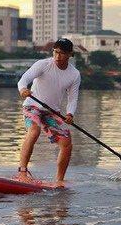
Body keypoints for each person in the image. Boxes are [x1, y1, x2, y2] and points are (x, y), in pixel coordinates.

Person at [17, 38, 81, 185]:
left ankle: (59, 180)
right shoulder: (43, 64)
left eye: (62, 53)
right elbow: (23, 80)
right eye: (56, 52)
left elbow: (73, 99)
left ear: (71, 54)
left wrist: (70, 114)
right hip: (32, 106)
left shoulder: (74, 74)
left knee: (67, 144)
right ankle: (22, 173)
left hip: (52, 112)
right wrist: (23, 90)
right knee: (34, 131)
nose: (58, 56)